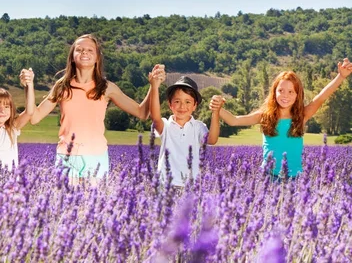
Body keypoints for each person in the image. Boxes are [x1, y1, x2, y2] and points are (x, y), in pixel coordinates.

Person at [30, 34, 151, 185]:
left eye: (90, 50)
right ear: (72, 57)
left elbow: (142, 112)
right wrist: (29, 86)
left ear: (97, 58)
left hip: (96, 157)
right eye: (79, 50)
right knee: (64, 205)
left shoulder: (107, 88)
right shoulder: (62, 86)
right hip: (67, 156)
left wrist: (154, 86)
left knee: (94, 205)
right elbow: (35, 117)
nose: (84, 53)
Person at [210, 58, 352, 178]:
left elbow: (321, 97)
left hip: (294, 178)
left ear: (297, 95)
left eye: (291, 92)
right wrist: (218, 108)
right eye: (281, 91)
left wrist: (341, 76)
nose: (285, 95)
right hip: (268, 177)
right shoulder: (265, 115)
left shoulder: (301, 116)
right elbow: (234, 120)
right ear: (274, 92)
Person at [149, 68, 220, 186]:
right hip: (166, 184)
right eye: (177, 101)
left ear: (194, 106)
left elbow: (212, 140)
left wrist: (216, 112)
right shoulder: (166, 125)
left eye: (188, 102)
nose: (182, 106)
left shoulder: (198, 127)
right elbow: (155, 117)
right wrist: (155, 87)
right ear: (170, 105)